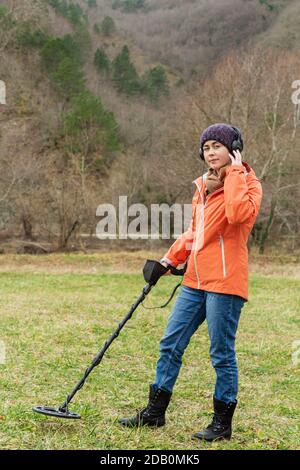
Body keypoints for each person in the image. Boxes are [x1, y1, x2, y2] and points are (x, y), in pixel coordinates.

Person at [119, 123, 263, 441]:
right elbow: (195, 233)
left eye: (217, 146)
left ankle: (222, 424)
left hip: (225, 283)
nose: (210, 153)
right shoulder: (203, 187)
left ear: (234, 148)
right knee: (170, 344)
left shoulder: (249, 185)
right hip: (195, 280)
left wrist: (236, 173)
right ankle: (155, 413)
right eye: (206, 147)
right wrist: (168, 261)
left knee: (221, 353)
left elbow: (238, 215)